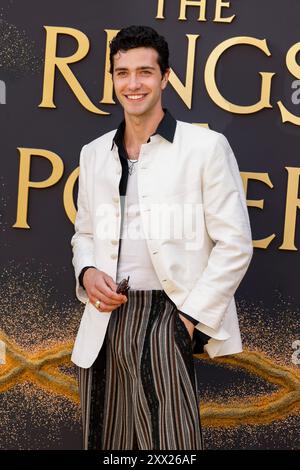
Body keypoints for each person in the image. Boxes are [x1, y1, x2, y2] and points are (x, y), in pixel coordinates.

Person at [70, 25, 253, 450]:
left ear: (166, 77)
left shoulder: (205, 147)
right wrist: (88, 272)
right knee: (105, 443)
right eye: (122, 73)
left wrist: (189, 322)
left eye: (145, 72)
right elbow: (84, 235)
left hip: (169, 317)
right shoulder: (94, 152)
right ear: (113, 78)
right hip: (104, 319)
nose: (133, 84)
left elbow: (235, 245)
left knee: (170, 449)